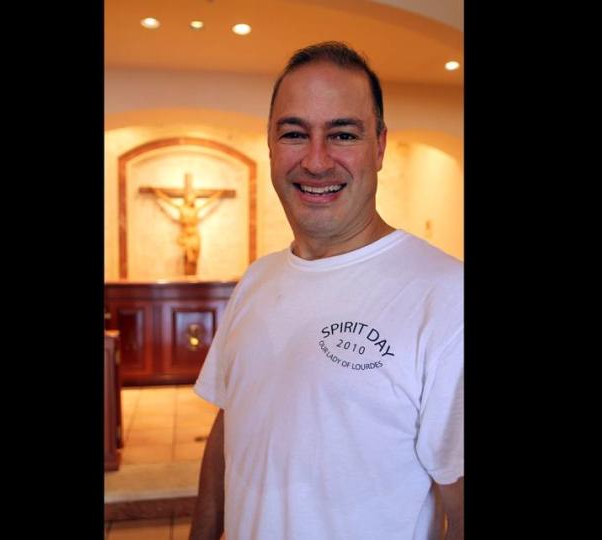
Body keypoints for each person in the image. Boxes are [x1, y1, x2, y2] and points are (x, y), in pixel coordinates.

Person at [190, 41, 463, 540]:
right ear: (270, 145)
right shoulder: (258, 279)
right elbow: (230, 428)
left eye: (342, 134)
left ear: (379, 146)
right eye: (295, 133)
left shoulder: (447, 298)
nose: (316, 161)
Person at [153, 172, 226, 275]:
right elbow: (169, 201)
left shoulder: (196, 209)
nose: (192, 199)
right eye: (190, 197)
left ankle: (192, 277)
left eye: (193, 197)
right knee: (188, 257)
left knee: (194, 259)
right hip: (186, 235)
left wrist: (218, 195)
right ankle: (188, 277)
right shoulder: (182, 208)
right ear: (186, 199)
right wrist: (158, 194)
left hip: (194, 235)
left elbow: (208, 203)